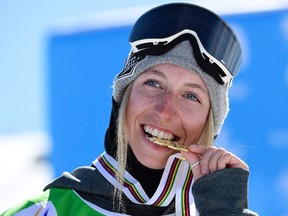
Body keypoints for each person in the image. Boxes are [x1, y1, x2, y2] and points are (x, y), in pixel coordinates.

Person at [1, 3, 258, 216]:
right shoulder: (47, 211)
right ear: (123, 99)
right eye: (153, 83)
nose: (166, 110)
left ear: (208, 124)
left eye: (191, 96)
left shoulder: (221, 211)